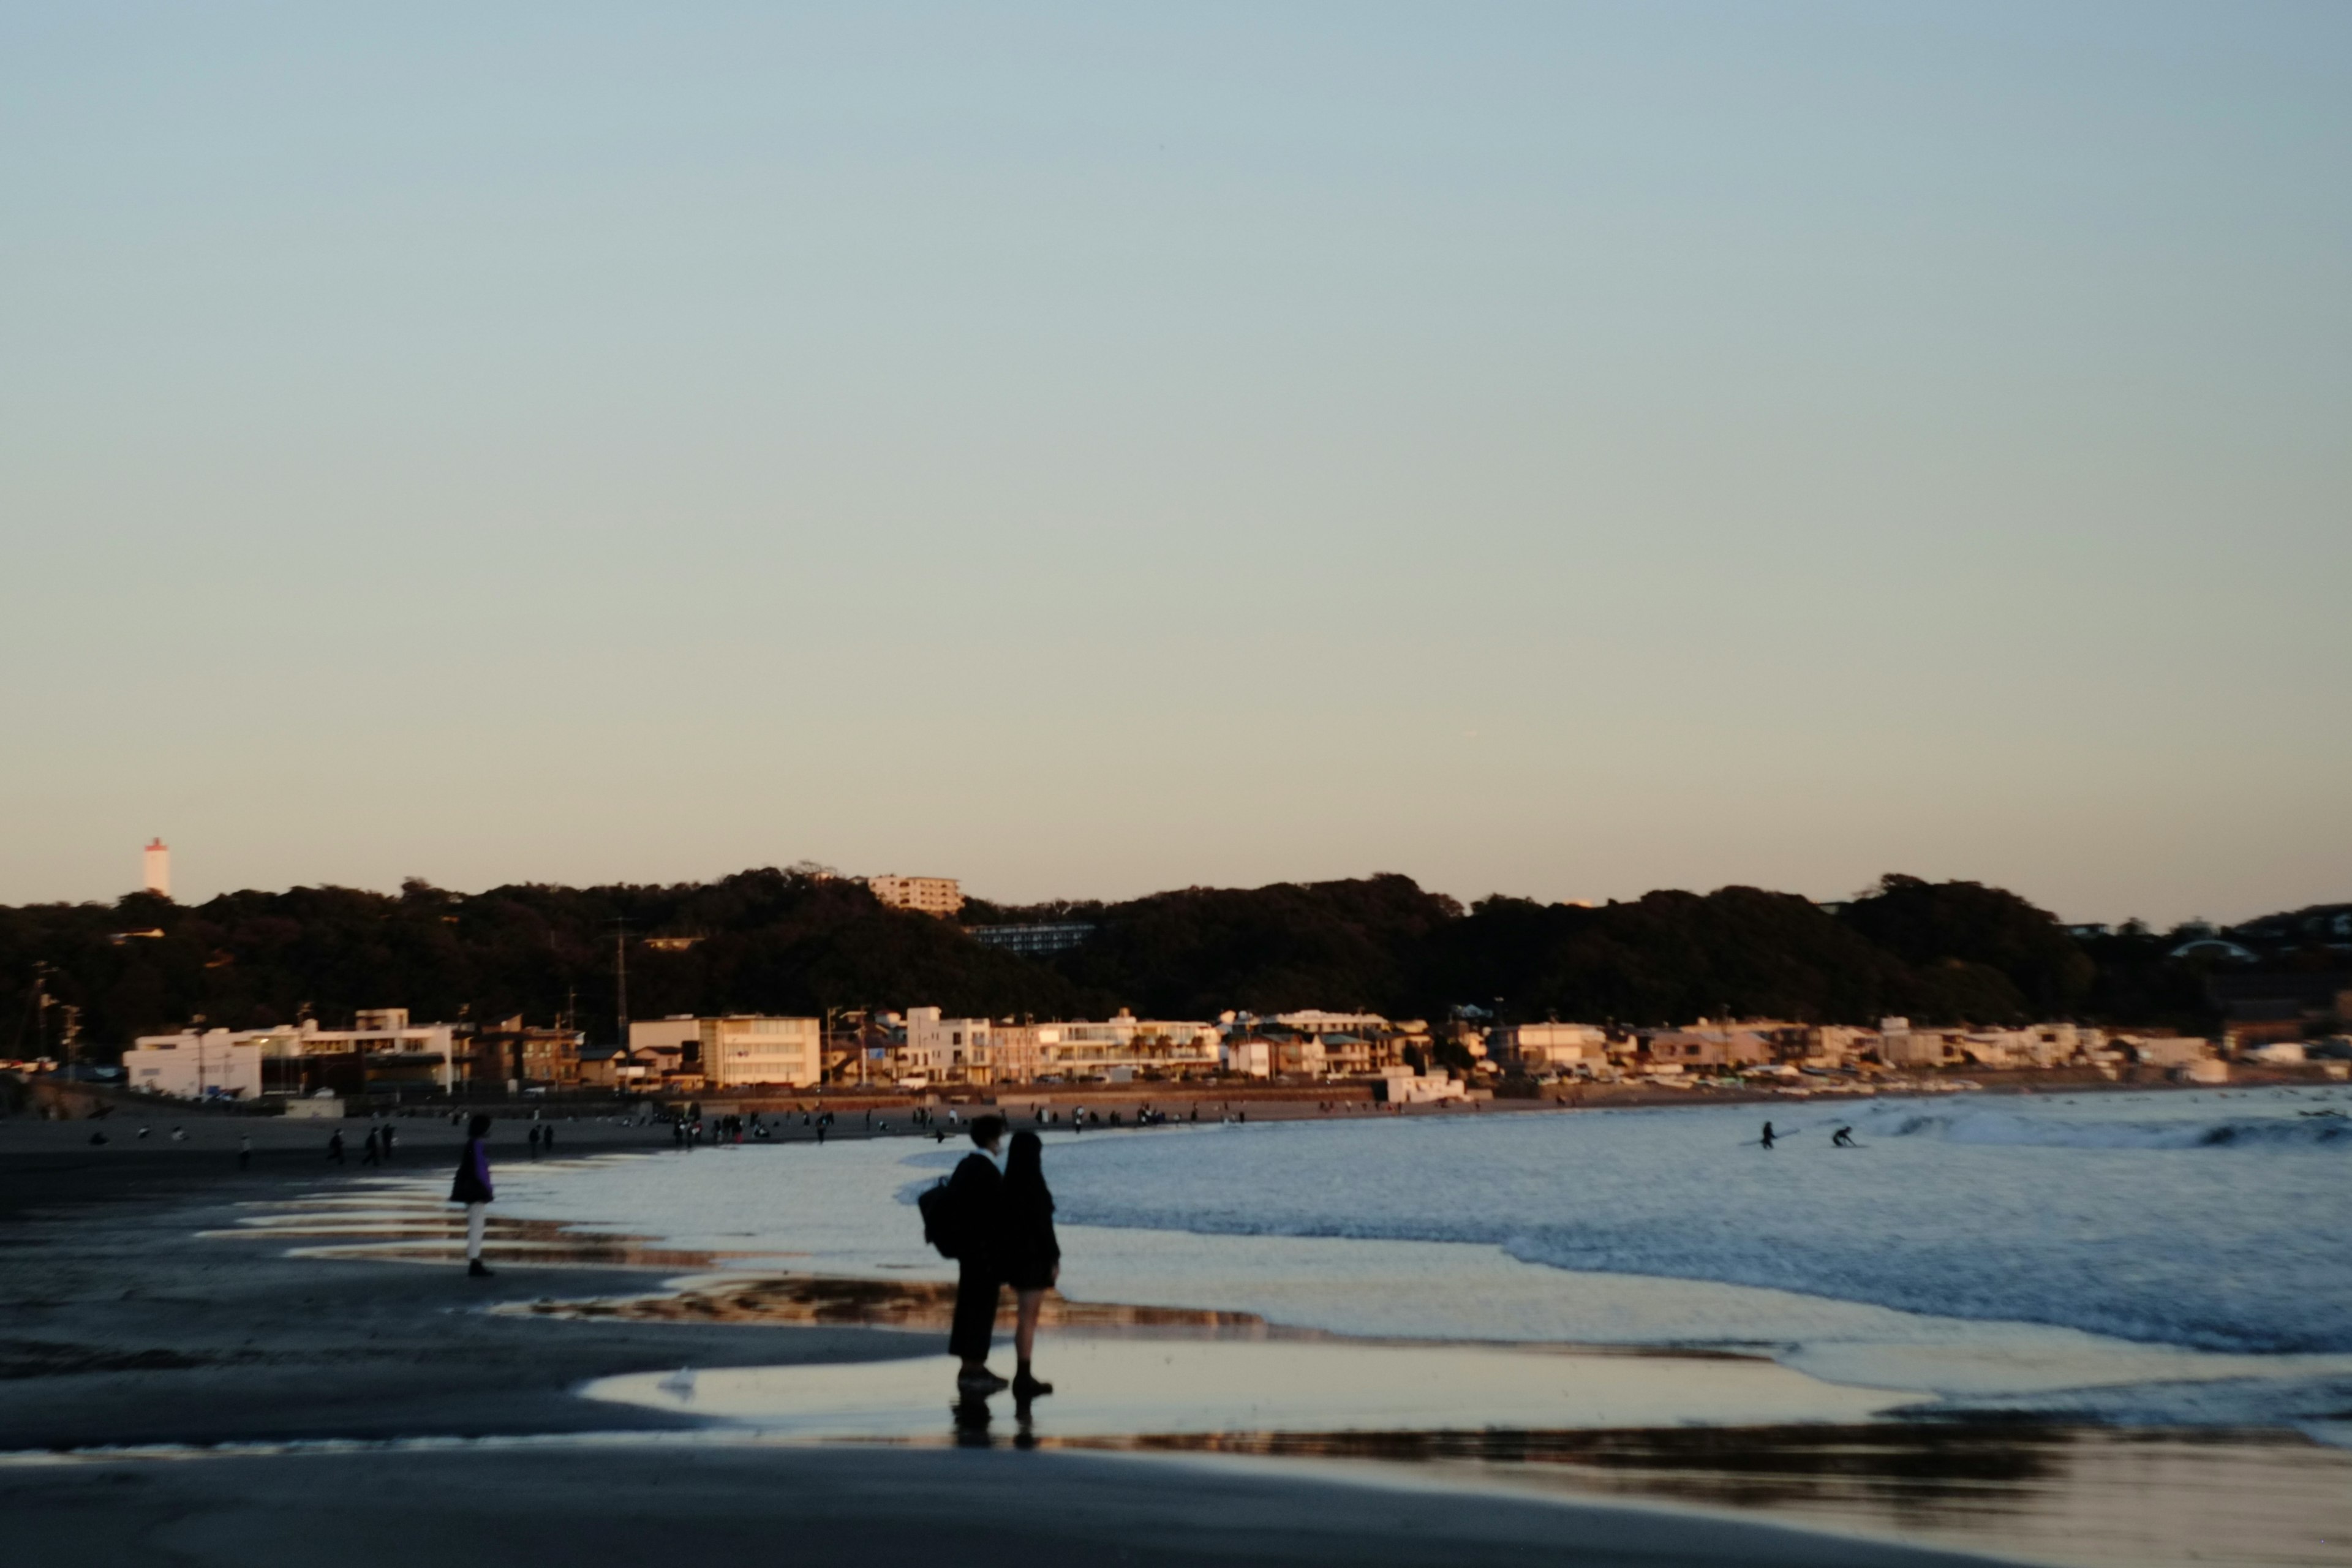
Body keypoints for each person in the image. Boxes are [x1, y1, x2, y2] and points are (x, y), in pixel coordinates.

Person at [946, 1115, 1009, 1395]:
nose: (1002, 1143)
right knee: (981, 1310)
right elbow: (997, 1213)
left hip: (966, 1249)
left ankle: (970, 1366)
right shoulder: (986, 1169)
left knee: (968, 1306)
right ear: (992, 1139)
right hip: (984, 1251)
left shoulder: (965, 1165)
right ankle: (974, 1368)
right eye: (1000, 1137)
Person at [997, 1131, 1061, 1399]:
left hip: (1016, 1257)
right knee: (1028, 1319)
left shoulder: (1008, 1184)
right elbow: (1044, 1227)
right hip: (1035, 1257)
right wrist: (1054, 1257)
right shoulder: (1034, 1183)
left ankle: (1023, 1373)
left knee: (1025, 1318)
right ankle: (1023, 1375)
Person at [451, 1114, 496, 1277]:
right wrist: (488, 1188)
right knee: (477, 1226)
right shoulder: (476, 1145)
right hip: (476, 1191)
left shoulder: (472, 1144)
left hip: (471, 1190)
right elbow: (480, 1170)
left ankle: (475, 1259)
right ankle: (474, 1261)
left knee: (476, 1224)